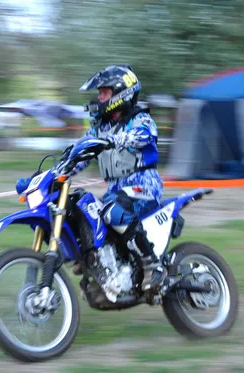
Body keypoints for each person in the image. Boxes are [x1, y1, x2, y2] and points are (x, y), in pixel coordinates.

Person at [17, 64, 167, 292]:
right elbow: (78, 156)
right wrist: (45, 179)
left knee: (111, 211)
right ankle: (86, 258)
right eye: (99, 93)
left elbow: (144, 136)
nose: (99, 97)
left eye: (104, 92)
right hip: (115, 191)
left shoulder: (140, 120)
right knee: (72, 206)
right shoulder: (99, 128)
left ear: (120, 93)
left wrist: (115, 140)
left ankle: (152, 265)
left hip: (143, 186)